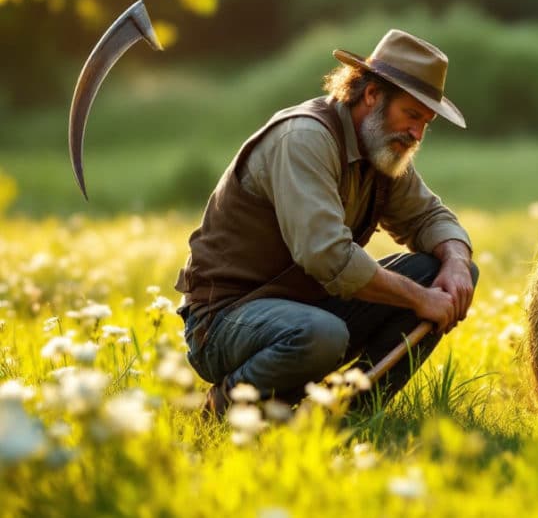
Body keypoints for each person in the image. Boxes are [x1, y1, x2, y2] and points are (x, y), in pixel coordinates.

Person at [174, 29, 478, 415]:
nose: (417, 133)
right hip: (224, 320)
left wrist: (456, 264)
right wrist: (421, 299)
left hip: (305, 307)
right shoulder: (305, 139)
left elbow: (430, 217)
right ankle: (225, 408)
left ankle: (352, 414)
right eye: (412, 114)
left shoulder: (383, 148)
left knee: (443, 273)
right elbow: (328, 257)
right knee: (322, 334)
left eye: (426, 122)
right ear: (372, 95)